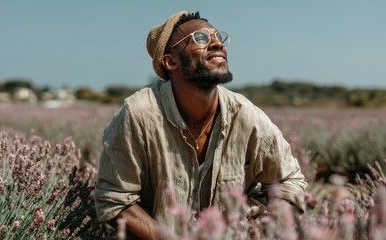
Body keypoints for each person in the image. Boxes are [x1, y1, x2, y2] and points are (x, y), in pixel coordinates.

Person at [94, 10, 307, 239]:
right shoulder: (139, 115)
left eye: (218, 37)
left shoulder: (246, 116)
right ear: (171, 61)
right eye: (201, 39)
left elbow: (290, 182)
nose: (217, 44)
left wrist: (264, 229)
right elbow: (115, 200)